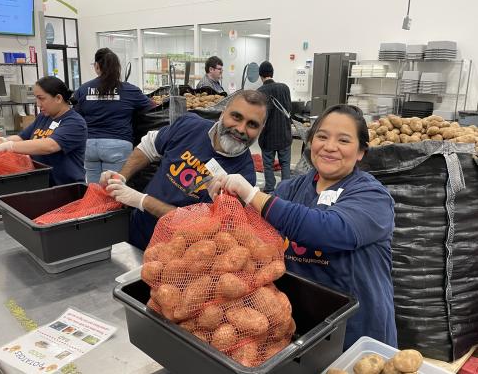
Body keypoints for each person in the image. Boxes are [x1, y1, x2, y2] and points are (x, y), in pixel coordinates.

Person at [208, 104, 397, 349]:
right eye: (322, 136)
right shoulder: (290, 189)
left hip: (356, 331)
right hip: (300, 327)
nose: (330, 147)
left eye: (343, 140)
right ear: (310, 142)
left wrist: (252, 194)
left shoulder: (373, 196)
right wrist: (229, 205)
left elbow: (329, 230)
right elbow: (258, 240)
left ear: (361, 151)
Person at [103, 89, 267, 250]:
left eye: (252, 124)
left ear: (260, 131)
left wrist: (142, 201)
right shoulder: (190, 126)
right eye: (236, 117)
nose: (240, 129)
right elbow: (149, 146)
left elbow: (200, 226)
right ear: (222, 113)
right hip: (136, 232)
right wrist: (121, 177)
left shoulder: (243, 179)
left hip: (176, 257)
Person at [0, 76, 87, 186]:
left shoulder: (74, 123)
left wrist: (9, 146)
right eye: (36, 98)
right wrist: (2, 141)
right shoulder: (44, 117)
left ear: (58, 98)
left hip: (67, 187)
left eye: (41, 98)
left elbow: (50, 146)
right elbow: (22, 137)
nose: (38, 104)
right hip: (41, 183)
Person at [73, 48, 155, 183]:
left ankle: (94, 204)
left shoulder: (83, 89)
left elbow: (76, 114)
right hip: (118, 145)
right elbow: (152, 107)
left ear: (97, 66)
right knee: (114, 189)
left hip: (89, 145)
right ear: (118, 68)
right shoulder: (130, 90)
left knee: (94, 189)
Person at [257, 61, 293, 193]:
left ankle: (270, 189)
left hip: (268, 137)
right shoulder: (285, 88)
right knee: (285, 165)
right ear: (272, 73)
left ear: (260, 76)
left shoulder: (259, 92)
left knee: (268, 165)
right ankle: (287, 190)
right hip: (284, 134)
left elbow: (259, 117)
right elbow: (289, 109)